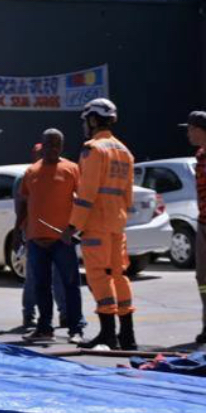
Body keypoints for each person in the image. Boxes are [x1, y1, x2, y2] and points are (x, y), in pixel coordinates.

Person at [64, 98, 137, 351]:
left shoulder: (93, 149)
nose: (85, 126)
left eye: (86, 121)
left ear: (93, 120)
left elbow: (87, 193)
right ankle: (127, 335)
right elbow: (128, 195)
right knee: (119, 275)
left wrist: (73, 226)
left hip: (97, 223)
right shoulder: (125, 151)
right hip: (118, 223)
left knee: (98, 276)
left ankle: (108, 335)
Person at [14, 130, 84, 343]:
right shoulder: (31, 172)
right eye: (49, 144)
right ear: (41, 146)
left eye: (57, 144)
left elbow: (83, 202)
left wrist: (72, 230)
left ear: (62, 147)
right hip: (36, 240)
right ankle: (44, 328)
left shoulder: (72, 169)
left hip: (62, 240)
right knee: (40, 286)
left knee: (70, 285)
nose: (53, 148)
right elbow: (24, 205)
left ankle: (76, 329)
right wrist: (19, 231)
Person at [182, 110, 206, 345]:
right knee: (203, 277)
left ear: (200, 130)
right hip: (203, 222)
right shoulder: (199, 157)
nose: (188, 133)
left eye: (190, 128)